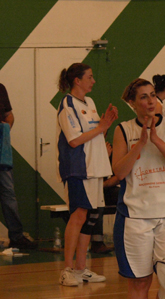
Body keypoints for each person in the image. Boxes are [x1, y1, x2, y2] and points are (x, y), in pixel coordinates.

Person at [112, 78, 165, 299]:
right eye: (143, 97)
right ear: (133, 103)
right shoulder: (123, 130)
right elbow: (119, 172)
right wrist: (140, 144)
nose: (150, 100)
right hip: (135, 218)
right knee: (140, 283)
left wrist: (156, 140)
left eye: (152, 95)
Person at [56, 63, 118, 286]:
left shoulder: (89, 102)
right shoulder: (67, 103)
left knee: (91, 218)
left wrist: (105, 127)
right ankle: (67, 270)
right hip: (78, 168)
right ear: (77, 81)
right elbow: (73, 140)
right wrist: (101, 128)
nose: (93, 81)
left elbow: (93, 133)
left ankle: (81, 268)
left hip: (95, 167)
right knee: (79, 215)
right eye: (90, 77)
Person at [0, 83, 38, 250]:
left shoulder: (0, 88)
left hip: (2, 153)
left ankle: (16, 236)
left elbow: (9, 116)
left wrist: (4, 131)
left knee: (9, 196)